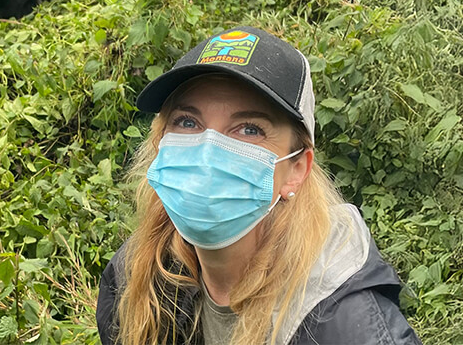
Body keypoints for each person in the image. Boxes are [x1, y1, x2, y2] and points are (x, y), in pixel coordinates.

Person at [96, 26, 421, 345]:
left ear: (296, 169)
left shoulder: (346, 328)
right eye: (187, 122)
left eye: (249, 129)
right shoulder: (137, 278)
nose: (208, 153)